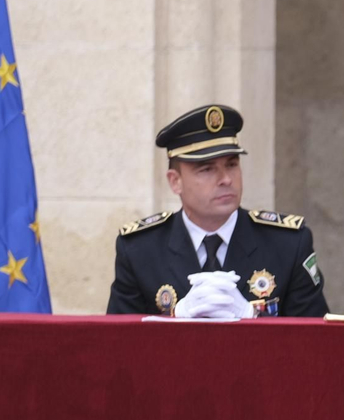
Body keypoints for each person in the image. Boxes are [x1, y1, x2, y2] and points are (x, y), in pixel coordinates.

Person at [106, 104, 329, 318]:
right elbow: (118, 344)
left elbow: (317, 341)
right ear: (176, 182)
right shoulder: (140, 249)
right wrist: (174, 318)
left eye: (232, 165)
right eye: (207, 169)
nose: (225, 179)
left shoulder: (287, 244)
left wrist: (253, 317)